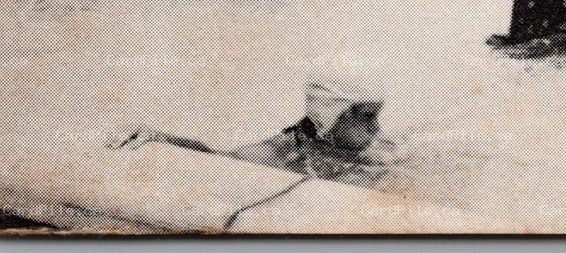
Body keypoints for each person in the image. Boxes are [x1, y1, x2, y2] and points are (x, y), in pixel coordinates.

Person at [114, 75, 398, 188]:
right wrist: (163, 139)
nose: (377, 127)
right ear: (332, 115)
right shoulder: (278, 154)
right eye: (368, 116)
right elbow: (218, 159)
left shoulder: (349, 146)